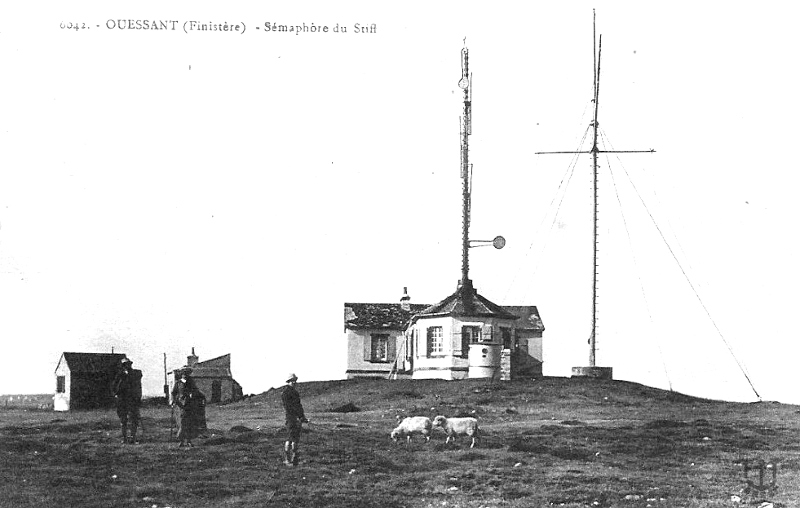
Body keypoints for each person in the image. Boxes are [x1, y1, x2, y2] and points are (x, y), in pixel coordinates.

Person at [171, 367, 205, 447]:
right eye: (184, 373)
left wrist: (196, 395)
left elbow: (196, 391)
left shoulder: (191, 382)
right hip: (181, 405)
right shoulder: (178, 383)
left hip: (190, 404)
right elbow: (173, 393)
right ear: (181, 374)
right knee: (182, 423)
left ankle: (189, 441)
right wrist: (173, 401)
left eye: (187, 373)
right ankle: (182, 441)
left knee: (190, 423)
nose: (185, 375)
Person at [111, 357, 143, 444]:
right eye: (124, 365)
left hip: (132, 400)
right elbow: (114, 387)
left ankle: (133, 438)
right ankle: (124, 438)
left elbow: (138, 386)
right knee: (123, 420)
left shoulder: (136, 373)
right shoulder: (119, 375)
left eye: (128, 364)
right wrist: (116, 395)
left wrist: (138, 398)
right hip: (122, 400)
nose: (126, 366)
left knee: (134, 420)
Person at [281, 373, 308, 466]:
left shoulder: (295, 393)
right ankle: (288, 459)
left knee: (295, 439)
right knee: (290, 439)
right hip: (291, 418)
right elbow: (288, 407)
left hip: (296, 418)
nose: (294, 382)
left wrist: (302, 416)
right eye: (291, 381)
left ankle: (294, 459)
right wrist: (297, 416)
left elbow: (299, 406)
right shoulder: (285, 393)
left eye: (294, 381)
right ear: (288, 382)